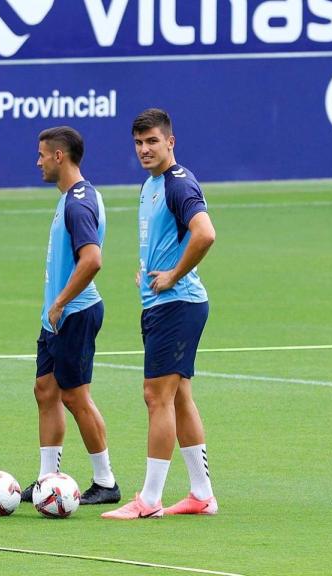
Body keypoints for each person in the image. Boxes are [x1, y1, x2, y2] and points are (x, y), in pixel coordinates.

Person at [102, 109, 218, 520]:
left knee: (156, 396)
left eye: (152, 141)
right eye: (138, 143)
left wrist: (172, 274)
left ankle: (149, 501)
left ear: (170, 141)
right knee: (179, 396)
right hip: (164, 305)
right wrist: (151, 267)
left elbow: (205, 233)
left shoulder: (178, 183)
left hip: (178, 304)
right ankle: (201, 494)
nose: (144, 149)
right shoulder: (150, 186)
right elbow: (170, 237)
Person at [19, 126, 121, 506]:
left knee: (76, 397)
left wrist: (60, 301)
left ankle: (106, 481)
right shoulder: (73, 197)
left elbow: (92, 260)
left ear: (59, 156)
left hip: (74, 313)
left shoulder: (79, 202)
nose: (38, 161)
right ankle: (48, 479)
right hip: (56, 317)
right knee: (45, 391)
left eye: (42, 154)